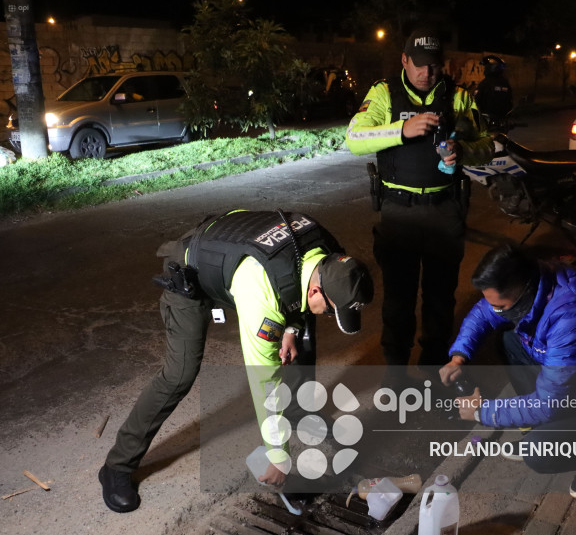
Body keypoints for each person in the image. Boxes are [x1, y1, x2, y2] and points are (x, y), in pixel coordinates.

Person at [99, 209, 374, 513]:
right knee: (180, 374)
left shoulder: (328, 255)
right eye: (329, 310)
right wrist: (278, 455)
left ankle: (296, 412)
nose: (326, 315)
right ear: (315, 289)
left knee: (296, 348)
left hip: (236, 260)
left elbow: (298, 291)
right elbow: (264, 380)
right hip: (193, 271)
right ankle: (117, 465)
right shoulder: (262, 295)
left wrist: (292, 329)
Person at [438, 245, 576, 499]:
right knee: (509, 339)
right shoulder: (534, 278)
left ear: (523, 293)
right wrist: (458, 357)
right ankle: (543, 427)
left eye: (500, 305)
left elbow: (550, 402)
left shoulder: (570, 315)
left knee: (539, 452)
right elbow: (482, 314)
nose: (493, 309)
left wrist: (481, 411)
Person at [345, 28, 493, 384]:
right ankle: (396, 370)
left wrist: (463, 153)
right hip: (399, 212)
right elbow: (354, 138)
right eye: (420, 66)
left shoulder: (458, 97)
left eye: (435, 66)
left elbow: (488, 144)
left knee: (440, 298)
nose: (428, 73)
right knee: (398, 299)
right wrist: (401, 129)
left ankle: (434, 368)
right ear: (404, 61)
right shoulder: (383, 94)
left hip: (444, 210)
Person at [475, 55, 514, 125]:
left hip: (486, 121)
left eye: (486, 67)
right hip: (501, 121)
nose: (484, 69)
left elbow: (476, 101)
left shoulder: (485, 83)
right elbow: (510, 101)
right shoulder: (505, 83)